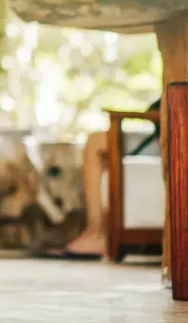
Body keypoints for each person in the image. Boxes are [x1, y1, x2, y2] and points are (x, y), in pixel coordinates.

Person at [63, 98, 160, 257]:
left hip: (172, 127)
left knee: (98, 143)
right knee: (96, 141)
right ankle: (96, 230)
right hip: (161, 124)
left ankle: (97, 231)